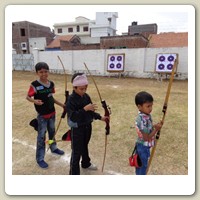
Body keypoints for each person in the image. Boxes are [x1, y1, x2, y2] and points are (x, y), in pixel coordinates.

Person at [66, 73, 109, 175]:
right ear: (74, 87)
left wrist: (101, 117)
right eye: (81, 89)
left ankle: (85, 163)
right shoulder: (70, 100)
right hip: (77, 128)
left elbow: (91, 112)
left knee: (84, 145)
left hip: (87, 126)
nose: (83, 91)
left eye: (85, 88)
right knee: (76, 151)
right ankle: (73, 173)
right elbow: (73, 116)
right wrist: (84, 109)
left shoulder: (86, 97)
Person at [26, 62, 65, 169]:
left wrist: (62, 105)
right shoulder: (34, 85)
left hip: (52, 113)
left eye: (45, 71)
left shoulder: (51, 84)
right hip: (42, 116)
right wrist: (34, 101)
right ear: (37, 73)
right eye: (41, 72)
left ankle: (53, 147)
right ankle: (40, 158)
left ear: (48, 71)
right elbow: (28, 97)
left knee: (52, 133)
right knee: (41, 137)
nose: (43, 74)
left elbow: (51, 98)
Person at [134, 91, 162, 175]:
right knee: (142, 168)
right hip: (142, 147)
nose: (150, 108)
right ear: (139, 107)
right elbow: (146, 138)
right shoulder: (142, 120)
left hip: (144, 147)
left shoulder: (146, 115)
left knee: (141, 166)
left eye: (151, 106)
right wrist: (156, 129)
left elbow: (148, 126)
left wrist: (154, 125)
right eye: (148, 106)